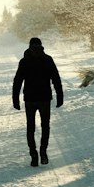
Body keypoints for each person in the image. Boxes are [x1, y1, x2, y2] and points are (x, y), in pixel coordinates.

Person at [12, 36, 63, 166]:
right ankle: (43, 152)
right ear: (41, 46)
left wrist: (15, 99)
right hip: (45, 98)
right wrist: (60, 96)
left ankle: (33, 154)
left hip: (30, 99)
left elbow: (17, 81)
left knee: (30, 127)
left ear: (29, 46)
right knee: (45, 125)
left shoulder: (24, 61)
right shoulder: (47, 59)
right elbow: (56, 79)